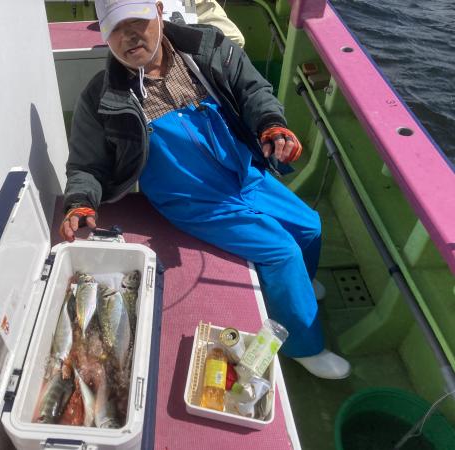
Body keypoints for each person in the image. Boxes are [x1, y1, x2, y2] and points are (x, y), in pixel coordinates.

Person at [60, 0, 351, 379]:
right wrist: (81, 201)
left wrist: (271, 124)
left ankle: (300, 288)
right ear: (104, 35)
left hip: (243, 174)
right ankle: (304, 346)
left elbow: (252, 90)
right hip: (194, 200)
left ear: (159, 11)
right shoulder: (101, 97)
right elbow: (86, 164)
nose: (129, 36)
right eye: (115, 28)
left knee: (310, 225)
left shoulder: (207, 48)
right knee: (282, 252)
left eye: (137, 21)